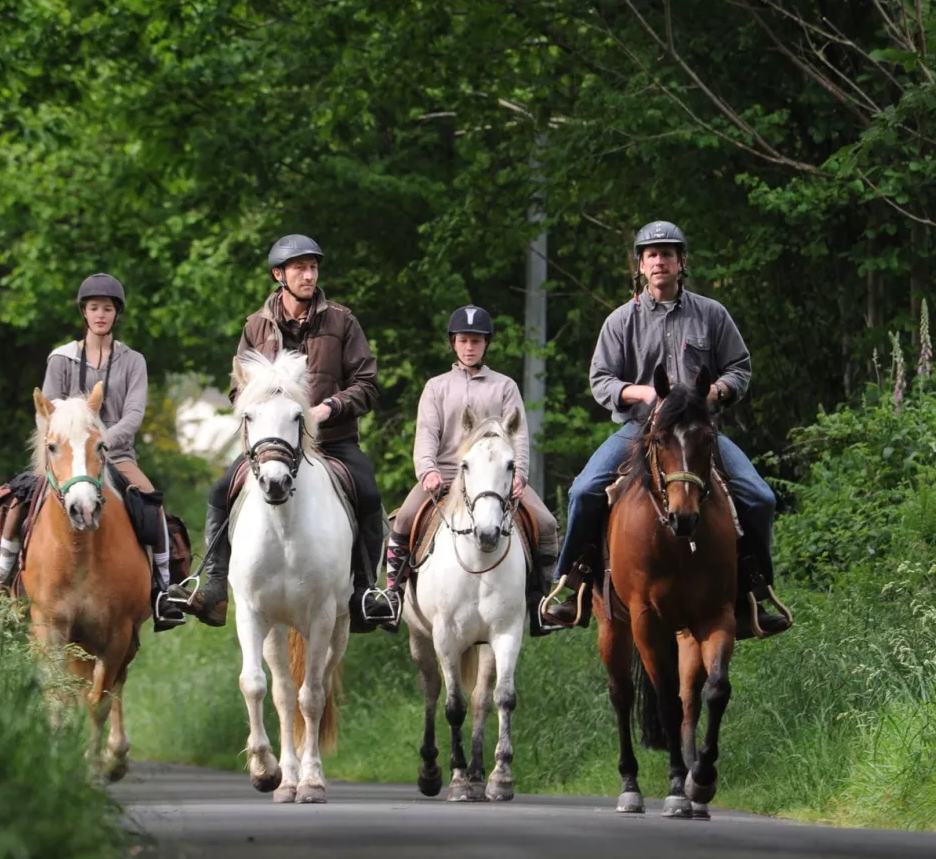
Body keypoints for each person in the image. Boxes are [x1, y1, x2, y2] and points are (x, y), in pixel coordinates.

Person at [543, 221, 793, 638]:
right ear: (640, 266)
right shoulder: (621, 321)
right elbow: (600, 379)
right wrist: (639, 393)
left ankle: (756, 588)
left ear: (682, 263)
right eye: (652, 255)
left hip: (697, 432)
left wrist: (717, 389)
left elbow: (740, 367)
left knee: (761, 498)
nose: (660, 261)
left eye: (668, 254)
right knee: (584, 490)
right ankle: (573, 583)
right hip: (642, 432)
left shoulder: (712, 314)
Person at [172, 234, 387, 631]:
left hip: (332, 440)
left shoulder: (342, 320)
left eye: (313, 267)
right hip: (273, 443)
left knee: (368, 492)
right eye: (299, 268)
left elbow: (367, 382)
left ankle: (365, 592)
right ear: (279, 275)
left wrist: (329, 407)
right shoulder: (255, 326)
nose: (309, 275)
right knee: (221, 490)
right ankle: (216, 587)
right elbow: (239, 387)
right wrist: (259, 408)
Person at [0, 272, 188, 625]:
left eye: (107, 309)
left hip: (115, 455)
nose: (100, 315)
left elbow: (134, 414)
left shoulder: (133, 362)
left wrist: (101, 442)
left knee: (150, 504)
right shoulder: (60, 360)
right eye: (94, 308)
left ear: (116, 314)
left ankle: (164, 589)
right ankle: (1, 584)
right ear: (84, 312)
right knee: (18, 502)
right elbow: (45, 412)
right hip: (64, 457)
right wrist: (62, 446)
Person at [362, 304, 560, 634]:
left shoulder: (504, 387)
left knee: (546, 523)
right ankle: (392, 597)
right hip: (446, 475)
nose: (470, 347)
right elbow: (425, 433)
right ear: (453, 342)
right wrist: (426, 471)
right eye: (464, 340)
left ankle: (542, 602)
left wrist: (520, 474)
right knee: (406, 518)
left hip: (495, 479)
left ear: (486, 344)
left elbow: (519, 435)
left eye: (477, 341)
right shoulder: (437, 387)